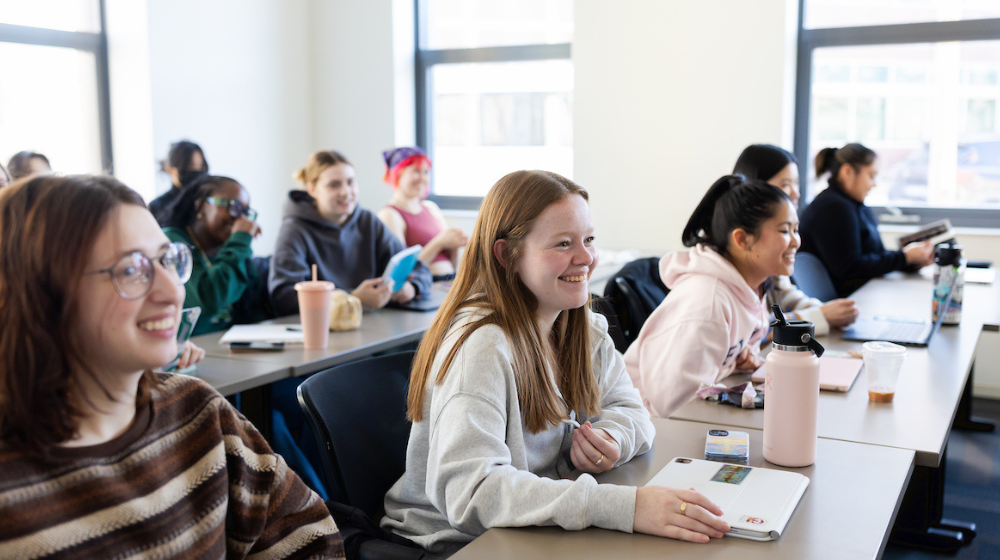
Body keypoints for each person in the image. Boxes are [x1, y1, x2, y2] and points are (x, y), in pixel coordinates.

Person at [382, 170, 730, 556]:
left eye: (589, 239)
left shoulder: (582, 326)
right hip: (458, 544)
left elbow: (633, 411)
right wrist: (624, 507)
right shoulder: (481, 348)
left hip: (532, 526)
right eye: (563, 243)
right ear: (507, 255)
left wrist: (613, 438)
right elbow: (472, 493)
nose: (586, 258)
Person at [0, 174, 343, 558]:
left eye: (168, 260)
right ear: (39, 293)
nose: (172, 291)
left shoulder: (197, 412)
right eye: (131, 269)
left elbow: (312, 539)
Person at [624, 175, 799, 418]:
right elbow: (673, 407)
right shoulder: (708, 304)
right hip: (646, 430)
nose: (796, 241)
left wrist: (732, 362)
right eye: (784, 230)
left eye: (795, 229)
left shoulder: (748, 287)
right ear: (742, 239)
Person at [269, 150, 431, 315]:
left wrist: (412, 286)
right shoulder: (294, 231)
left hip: (374, 325)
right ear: (312, 189)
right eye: (334, 185)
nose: (346, 192)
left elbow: (419, 269)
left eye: (350, 182)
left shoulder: (368, 221)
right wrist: (353, 298)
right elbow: (283, 298)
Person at [733, 144, 858, 334]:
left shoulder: (772, 239)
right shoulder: (747, 241)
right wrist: (819, 315)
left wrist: (829, 311)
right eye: (785, 185)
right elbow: (751, 327)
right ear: (755, 187)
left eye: (796, 183)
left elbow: (785, 296)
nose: (795, 193)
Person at [799, 142, 935, 297]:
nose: (874, 184)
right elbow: (851, 268)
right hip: (846, 301)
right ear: (847, 171)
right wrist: (905, 257)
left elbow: (876, 256)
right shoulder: (833, 208)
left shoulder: (855, 206)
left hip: (863, 294)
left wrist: (911, 262)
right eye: (871, 175)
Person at [160, 174, 264, 336]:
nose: (241, 219)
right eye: (233, 206)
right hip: (189, 353)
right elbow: (209, 299)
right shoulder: (171, 243)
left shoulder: (231, 248)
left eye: (246, 212)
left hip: (232, 353)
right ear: (200, 205)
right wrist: (240, 241)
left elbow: (256, 313)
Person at [376, 146, 468, 279]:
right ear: (397, 174)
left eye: (426, 172)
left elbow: (452, 264)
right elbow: (400, 272)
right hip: (423, 289)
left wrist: (456, 244)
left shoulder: (431, 207)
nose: (423, 178)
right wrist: (439, 243)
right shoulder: (389, 214)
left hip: (449, 280)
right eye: (416, 171)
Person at [149, 140, 209, 225]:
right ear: (170, 169)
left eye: (201, 167)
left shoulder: (207, 199)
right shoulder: (157, 206)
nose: (196, 172)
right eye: (190, 166)